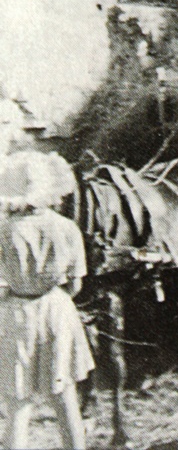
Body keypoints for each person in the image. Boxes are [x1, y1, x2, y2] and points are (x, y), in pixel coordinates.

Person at [0, 150, 95, 450]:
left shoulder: (3, 231)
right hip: (57, 311)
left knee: (18, 403)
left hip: (16, 313)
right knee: (65, 397)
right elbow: (76, 284)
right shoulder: (67, 228)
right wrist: (53, 298)